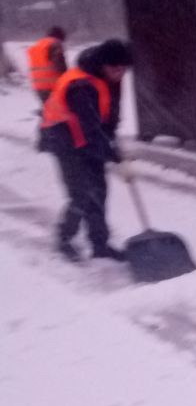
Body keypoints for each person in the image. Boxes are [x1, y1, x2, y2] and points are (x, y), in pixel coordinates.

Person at [39, 38, 133, 262]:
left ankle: (100, 245)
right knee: (80, 193)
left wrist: (112, 140)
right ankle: (65, 238)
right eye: (116, 69)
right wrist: (114, 155)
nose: (120, 74)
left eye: (124, 70)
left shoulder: (110, 77)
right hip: (63, 139)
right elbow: (90, 127)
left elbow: (109, 116)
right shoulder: (80, 86)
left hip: (87, 138)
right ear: (104, 65)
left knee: (99, 191)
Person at [27, 26, 68, 103]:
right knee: (61, 108)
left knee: (48, 108)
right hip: (53, 86)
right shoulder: (55, 44)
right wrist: (67, 79)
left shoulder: (38, 45)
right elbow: (60, 66)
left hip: (38, 87)